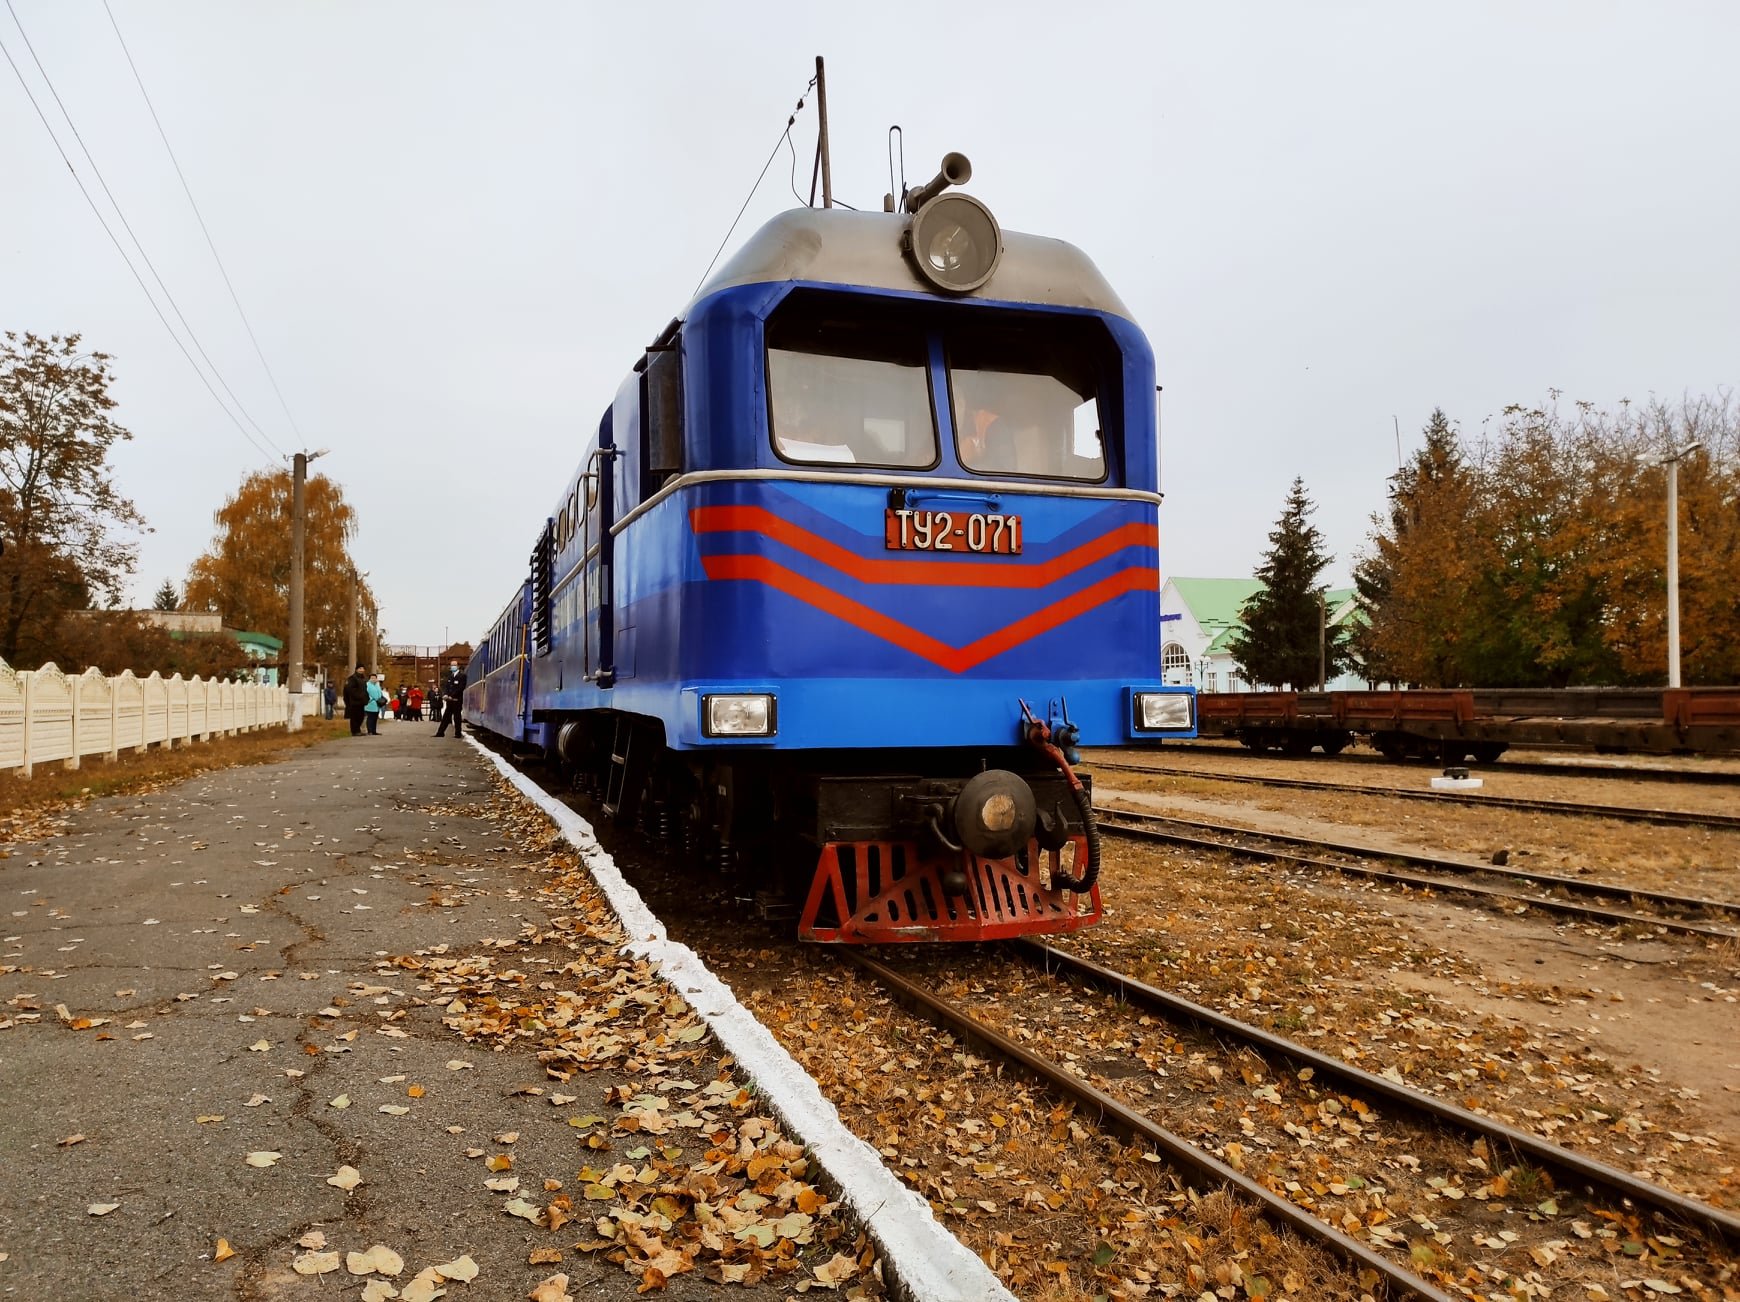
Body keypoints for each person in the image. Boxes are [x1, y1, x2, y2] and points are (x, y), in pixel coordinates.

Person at [434, 658, 466, 738]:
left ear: (458, 666)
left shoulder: (462, 676)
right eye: (452, 665)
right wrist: (445, 694)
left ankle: (458, 733)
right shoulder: (450, 677)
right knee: (446, 717)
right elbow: (446, 687)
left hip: (457, 700)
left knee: (457, 717)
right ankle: (440, 732)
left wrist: (452, 695)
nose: (453, 667)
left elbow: (461, 688)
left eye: (454, 665)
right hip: (449, 701)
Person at [342, 664, 369, 736]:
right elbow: (350, 690)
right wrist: (358, 696)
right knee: (354, 717)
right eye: (360, 668)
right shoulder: (352, 678)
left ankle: (358, 730)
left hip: (362, 702)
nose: (361, 670)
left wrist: (366, 698)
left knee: (361, 716)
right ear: (356, 669)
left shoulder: (364, 679)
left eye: (363, 668)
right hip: (354, 701)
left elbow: (366, 690)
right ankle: (354, 731)